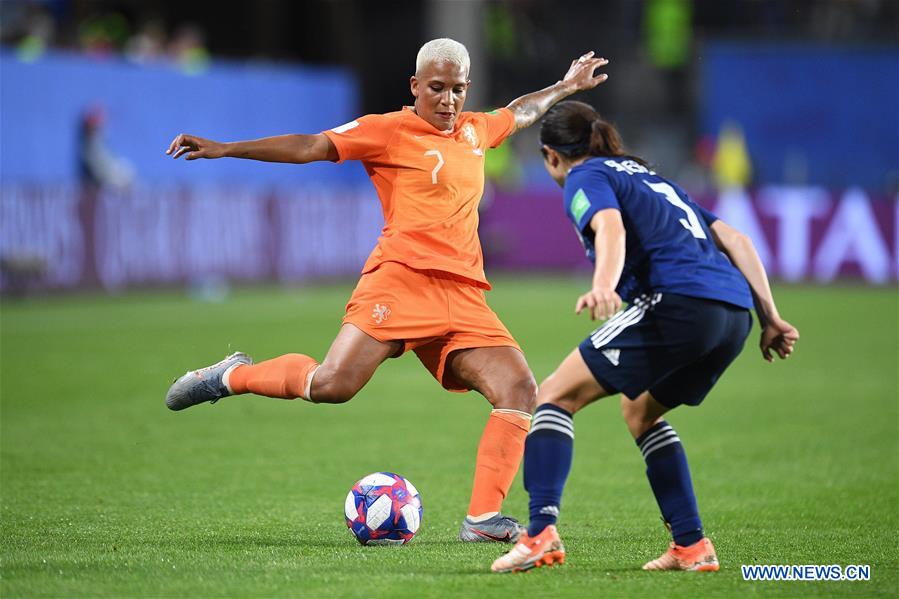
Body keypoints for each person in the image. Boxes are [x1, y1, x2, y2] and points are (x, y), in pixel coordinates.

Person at [164, 39, 609, 543]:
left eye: (458, 90)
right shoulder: (388, 131)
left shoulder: (475, 130)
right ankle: (232, 376)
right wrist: (226, 148)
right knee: (333, 386)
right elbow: (311, 146)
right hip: (400, 283)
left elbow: (519, 112)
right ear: (415, 86)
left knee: (520, 391)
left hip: (463, 296)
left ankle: (483, 519)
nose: (447, 100)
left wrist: (566, 87)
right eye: (437, 88)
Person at [491, 101, 799, 571]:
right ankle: (691, 546)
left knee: (553, 394)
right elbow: (737, 239)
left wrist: (603, 285)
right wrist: (770, 317)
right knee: (640, 410)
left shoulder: (584, 175)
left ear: (550, 155)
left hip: (678, 304)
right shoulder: (650, 177)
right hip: (734, 315)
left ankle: (538, 535)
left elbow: (609, 225)